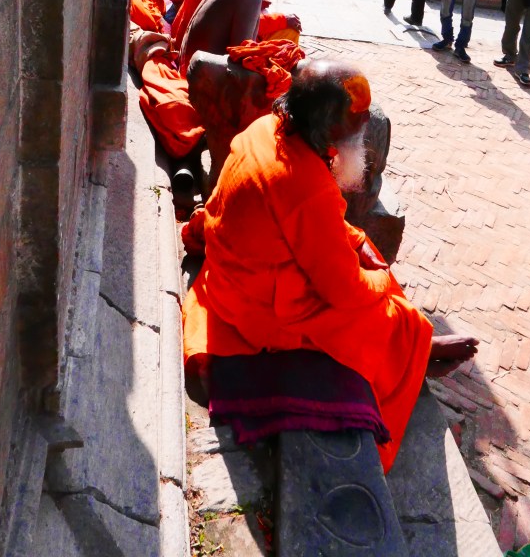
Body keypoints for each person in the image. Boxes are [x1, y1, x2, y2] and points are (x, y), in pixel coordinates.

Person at [182, 59, 479, 473]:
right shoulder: (308, 186)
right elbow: (344, 290)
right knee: (380, 309)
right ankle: (413, 350)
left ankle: (409, 345)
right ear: (331, 129)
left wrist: (356, 241)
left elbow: (301, 221)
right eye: (357, 124)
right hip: (255, 307)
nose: (362, 131)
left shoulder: (266, 129)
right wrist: (377, 277)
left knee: (364, 253)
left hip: (234, 270)